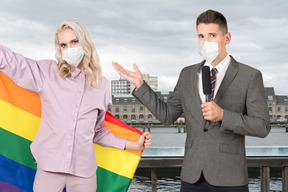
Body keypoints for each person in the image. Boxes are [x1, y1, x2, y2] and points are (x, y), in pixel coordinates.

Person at [113, 9, 270, 192]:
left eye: (212, 35)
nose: (206, 42)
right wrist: (141, 86)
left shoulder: (249, 76)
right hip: (192, 177)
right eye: (201, 36)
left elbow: (262, 126)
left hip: (230, 178)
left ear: (226, 38)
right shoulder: (187, 74)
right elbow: (167, 115)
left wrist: (223, 115)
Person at [0, 18, 152, 192]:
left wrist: (133, 145)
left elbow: (97, 132)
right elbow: (12, 62)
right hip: (49, 167)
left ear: (85, 42)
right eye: (63, 45)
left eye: (74, 41)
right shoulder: (47, 73)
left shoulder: (102, 85)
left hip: (84, 172)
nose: (69, 48)